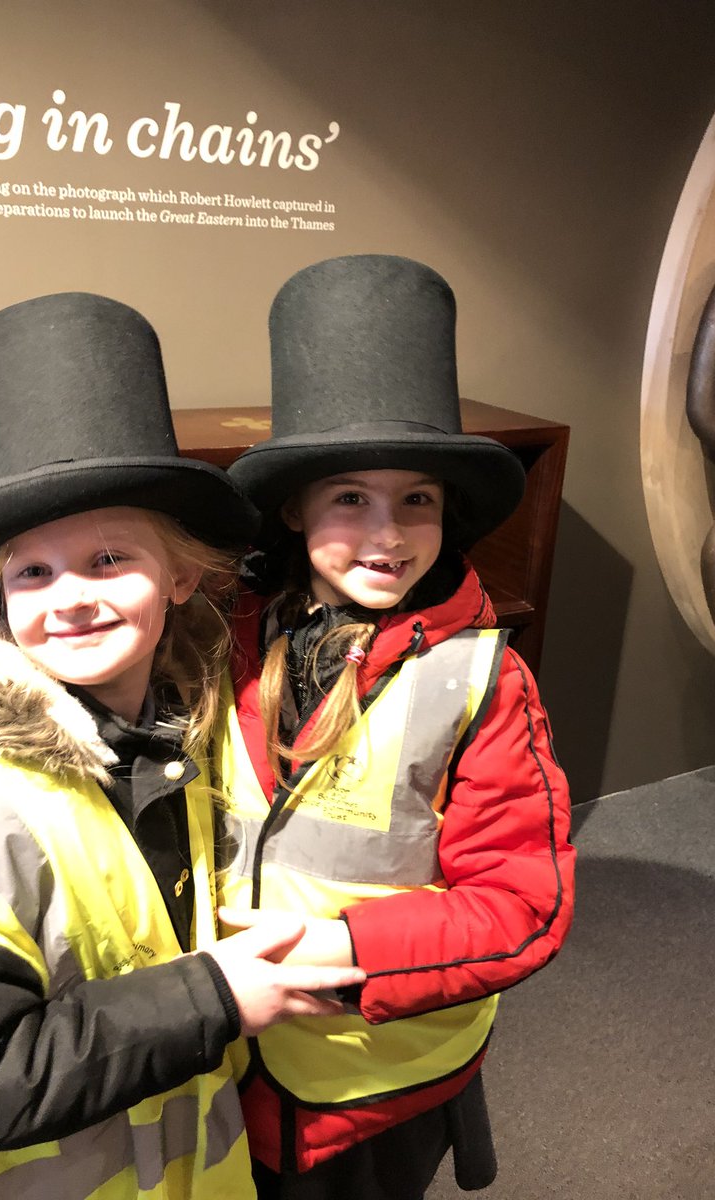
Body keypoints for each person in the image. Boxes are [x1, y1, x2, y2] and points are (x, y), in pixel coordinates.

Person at [0, 292, 365, 1199]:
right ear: (2, 598)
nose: (68, 596)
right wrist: (213, 998)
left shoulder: (181, 737)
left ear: (181, 575)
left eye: (109, 559)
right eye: (33, 570)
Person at [212, 255, 576, 1199]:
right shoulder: (225, 643)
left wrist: (338, 950)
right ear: (293, 509)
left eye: (416, 498)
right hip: (217, 1065)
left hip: (371, 1089)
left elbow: (523, 907)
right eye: (350, 498)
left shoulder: (486, 681)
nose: (387, 533)